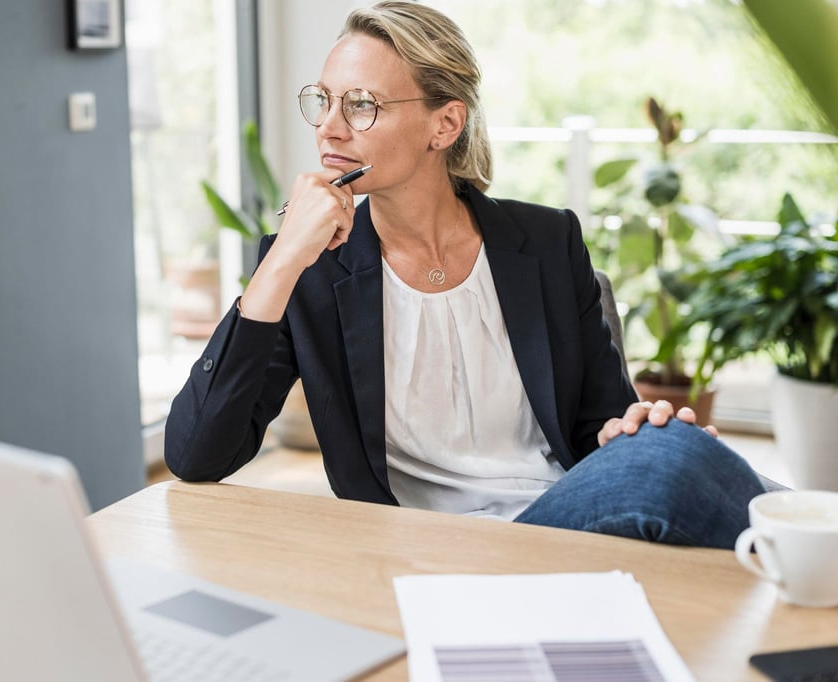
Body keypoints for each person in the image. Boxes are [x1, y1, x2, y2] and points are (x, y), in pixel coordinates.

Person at [165, 1, 770, 549]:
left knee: (694, 462)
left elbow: (599, 427)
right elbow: (195, 455)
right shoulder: (310, 266)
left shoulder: (549, 241)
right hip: (421, 543)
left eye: (361, 105)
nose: (328, 126)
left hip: (558, 522)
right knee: (711, 483)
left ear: (445, 125)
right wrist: (279, 264)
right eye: (323, 100)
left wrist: (637, 428)